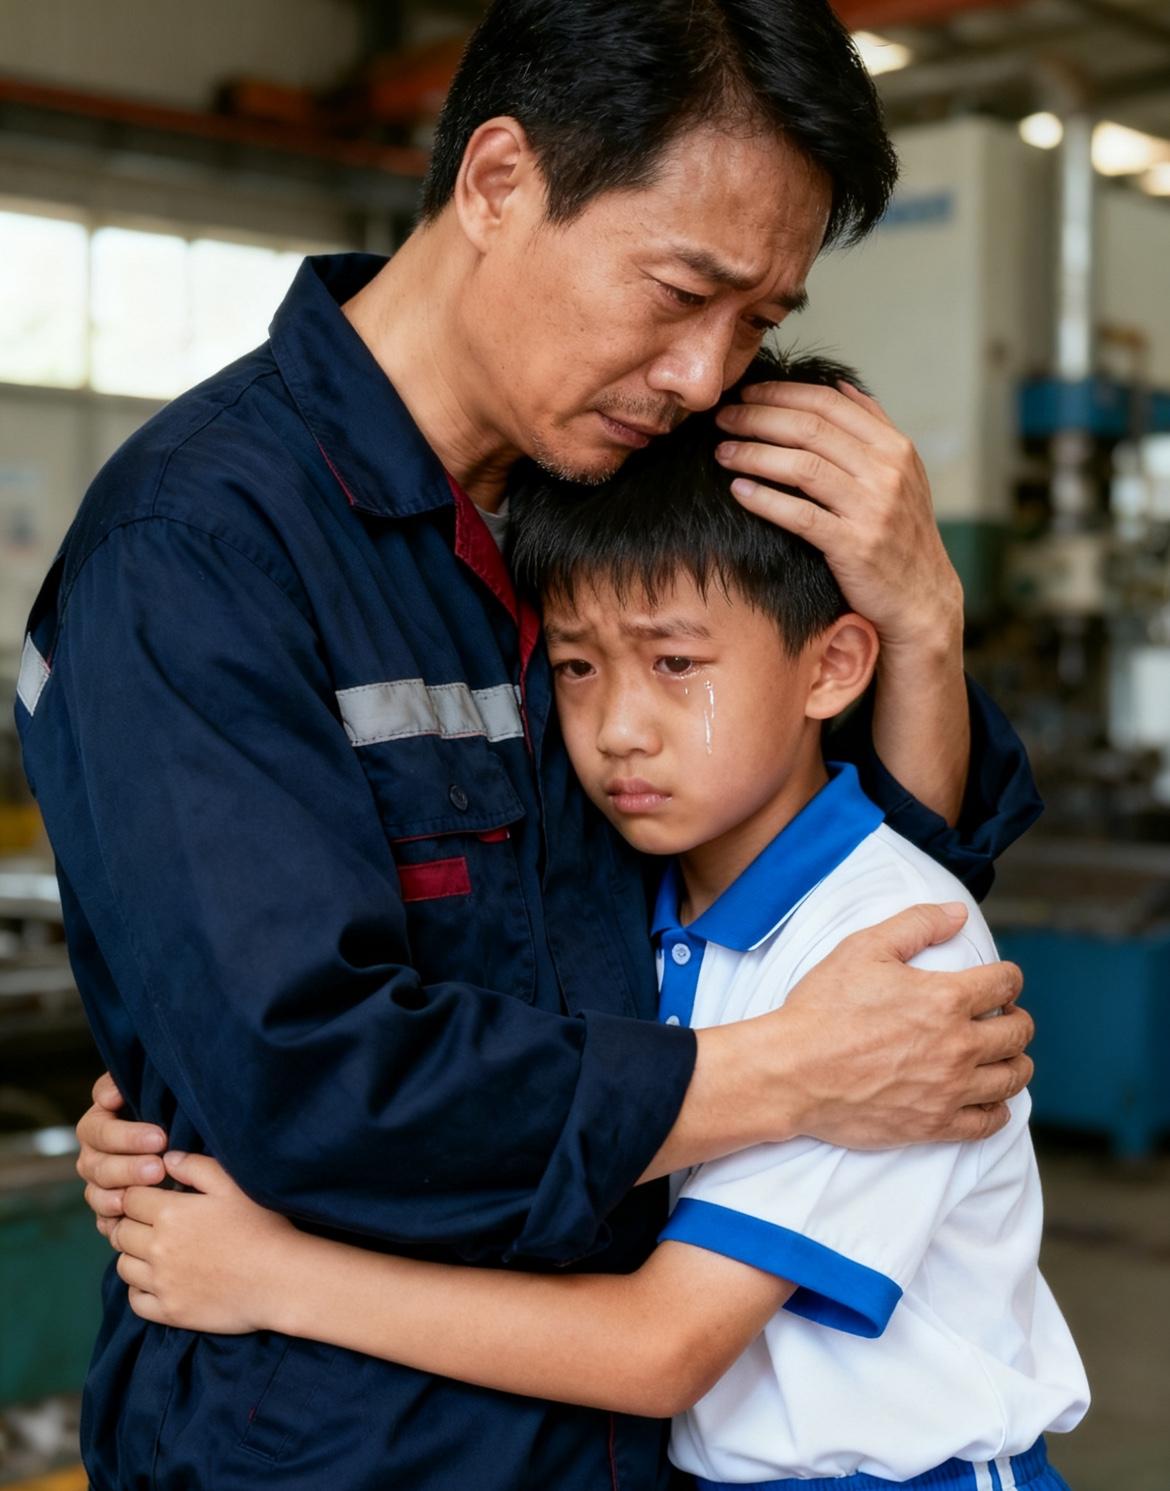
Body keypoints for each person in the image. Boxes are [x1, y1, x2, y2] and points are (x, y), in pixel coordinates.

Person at [21, 4, 1038, 1488]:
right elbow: (310, 1079)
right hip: (338, 1446)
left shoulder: (628, 500)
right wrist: (781, 1075)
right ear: (498, 182)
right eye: (681, 289)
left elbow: (865, 909)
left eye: (757, 319)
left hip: (643, 1438)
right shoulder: (200, 551)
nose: (704, 372)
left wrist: (920, 615)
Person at [106, 352, 1090, 1491]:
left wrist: (271, 1276)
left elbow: (664, 1347)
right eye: (576, 667)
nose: (620, 725)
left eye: (677, 663)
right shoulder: (640, 901)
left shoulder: (884, 958)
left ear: (834, 668)